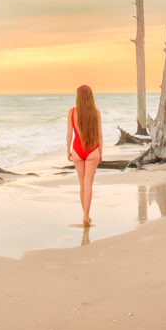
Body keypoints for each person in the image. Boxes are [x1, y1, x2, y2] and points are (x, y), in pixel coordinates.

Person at [67, 84, 102, 227]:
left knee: (82, 184)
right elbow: (100, 134)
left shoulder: (72, 112)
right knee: (88, 184)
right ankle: (86, 215)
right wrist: (101, 152)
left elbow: (69, 134)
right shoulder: (96, 112)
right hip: (92, 149)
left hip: (77, 150)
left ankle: (85, 215)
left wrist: (68, 151)